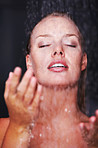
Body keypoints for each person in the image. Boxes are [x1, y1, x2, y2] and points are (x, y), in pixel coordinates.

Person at [0, 12, 98, 148]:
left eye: (70, 44)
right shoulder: (3, 130)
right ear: (29, 62)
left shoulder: (95, 134)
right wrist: (18, 128)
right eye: (44, 45)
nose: (58, 50)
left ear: (83, 60)